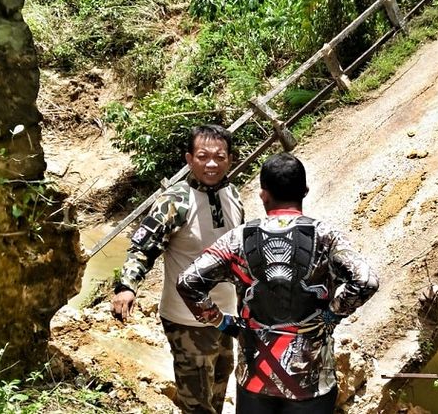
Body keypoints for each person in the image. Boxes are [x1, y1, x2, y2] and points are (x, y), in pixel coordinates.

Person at [177, 152, 379, 414]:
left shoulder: (236, 239)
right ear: (305, 191)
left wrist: (220, 321)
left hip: (254, 380)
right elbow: (366, 280)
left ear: (263, 194)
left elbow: (188, 281)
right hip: (311, 383)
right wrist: (332, 315)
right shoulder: (326, 236)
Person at [111, 124, 244, 414]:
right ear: (189, 159)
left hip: (225, 318)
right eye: (203, 156)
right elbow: (143, 247)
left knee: (218, 396)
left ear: (229, 159)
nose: (211, 163)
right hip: (186, 321)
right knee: (196, 406)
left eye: (219, 157)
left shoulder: (233, 195)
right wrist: (126, 286)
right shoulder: (174, 201)